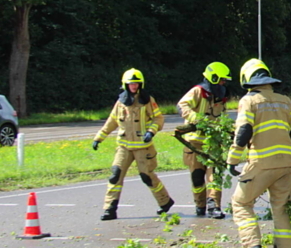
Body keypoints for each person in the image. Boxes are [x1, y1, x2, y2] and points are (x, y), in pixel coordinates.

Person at [226, 58, 291, 248]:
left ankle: (251, 245)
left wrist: (233, 159)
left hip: (261, 162)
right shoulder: (285, 100)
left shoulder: (249, 101)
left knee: (241, 202)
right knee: (281, 209)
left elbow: (243, 132)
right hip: (286, 163)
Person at [92, 68, 174, 220]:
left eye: (136, 84)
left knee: (147, 176)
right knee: (115, 175)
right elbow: (112, 121)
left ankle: (165, 201)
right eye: (131, 84)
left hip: (143, 148)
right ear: (125, 85)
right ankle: (109, 208)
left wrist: (151, 132)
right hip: (124, 147)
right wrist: (99, 138)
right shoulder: (121, 102)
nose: (134, 86)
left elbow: (158, 119)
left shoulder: (147, 100)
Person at [178, 61, 231, 219]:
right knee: (197, 177)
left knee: (214, 175)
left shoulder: (221, 96)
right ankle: (199, 205)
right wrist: (196, 118)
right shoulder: (197, 92)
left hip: (213, 143)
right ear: (213, 78)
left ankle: (213, 205)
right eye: (222, 79)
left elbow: (223, 117)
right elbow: (182, 105)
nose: (223, 83)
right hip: (194, 143)